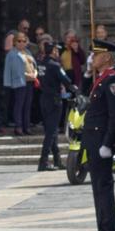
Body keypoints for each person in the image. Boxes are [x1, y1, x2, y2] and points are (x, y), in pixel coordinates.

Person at [81, 38, 115, 231]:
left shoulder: (112, 80)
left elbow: (114, 116)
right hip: (93, 141)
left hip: (101, 142)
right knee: (98, 189)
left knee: (103, 189)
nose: (93, 58)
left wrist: (108, 143)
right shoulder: (100, 79)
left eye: (96, 54)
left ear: (107, 57)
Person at [36, 41, 70, 170]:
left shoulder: (41, 64)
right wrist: (73, 88)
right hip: (54, 100)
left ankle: (57, 160)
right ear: (53, 51)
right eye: (56, 50)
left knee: (52, 130)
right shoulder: (55, 65)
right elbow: (66, 80)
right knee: (51, 132)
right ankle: (43, 162)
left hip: (44, 98)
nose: (58, 53)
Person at [3, 31, 35, 135]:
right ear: (15, 42)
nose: (21, 43)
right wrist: (7, 83)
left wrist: (35, 74)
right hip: (18, 82)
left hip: (29, 81)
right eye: (19, 41)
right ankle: (18, 126)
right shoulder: (11, 54)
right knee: (19, 104)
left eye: (24, 41)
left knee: (27, 104)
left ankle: (27, 126)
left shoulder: (28, 52)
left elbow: (34, 65)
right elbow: (8, 70)